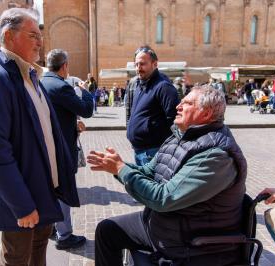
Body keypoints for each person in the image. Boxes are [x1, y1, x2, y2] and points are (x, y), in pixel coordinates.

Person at [88, 86, 247, 266]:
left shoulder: (216, 156)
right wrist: (118, 166)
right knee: (107, 230)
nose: (178, 106)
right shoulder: (180, 135)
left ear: (207, 113)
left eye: (187, 103)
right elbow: (149, 171)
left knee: (110, 232)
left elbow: (163, 198)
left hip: (188, 241)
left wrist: (121, 169)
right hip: (164, 225)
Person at [0, 8, 79, 266]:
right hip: (22, 201)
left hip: (44, 192)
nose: (40, 42)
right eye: (32, 35)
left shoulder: (30, 76)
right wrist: (21, 205)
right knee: (17, 259)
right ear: (9, 36)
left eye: (40, 35)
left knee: (39, 252)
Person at [41, 49, 93, 250]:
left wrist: (72, 124)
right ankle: (64, 235)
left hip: (46, 146)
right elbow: (86, 110)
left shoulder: (40, 83)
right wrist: (86, 91)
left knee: (51, 189)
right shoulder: (61, 87)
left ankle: (52, 228)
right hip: (61, 149)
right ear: (64, 66)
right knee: (62, 191)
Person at [126, 45, 179, 166]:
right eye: (136, 65)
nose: (138, 68)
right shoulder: (139, 84)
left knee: (151, 183)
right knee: (142, 183)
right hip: (139, 150)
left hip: (153, 151)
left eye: (142, 64)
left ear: (154, 64)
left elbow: (175, 119)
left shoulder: (163, 87)